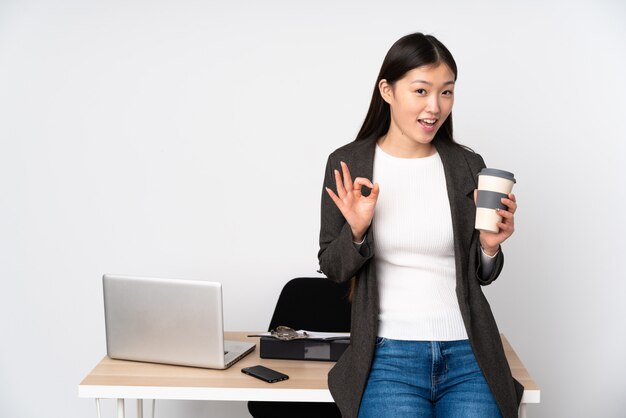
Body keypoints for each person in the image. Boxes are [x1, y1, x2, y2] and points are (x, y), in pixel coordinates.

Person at [317, 32, 523, 418]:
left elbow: (481, 275)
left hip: (469, 354)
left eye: (446, 92)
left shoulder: (467, 166)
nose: (435, 106)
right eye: (421, 91)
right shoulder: (348, 164)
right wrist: (357, 232)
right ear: (388, 90)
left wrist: (490, 247)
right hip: (387, 357)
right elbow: (333, 267)